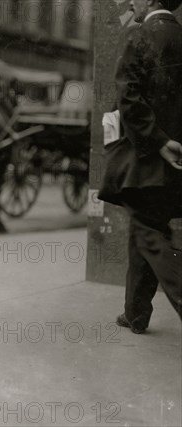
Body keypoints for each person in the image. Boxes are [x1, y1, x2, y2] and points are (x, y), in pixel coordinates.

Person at [107, 0, 182, 333]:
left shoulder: (140, 35)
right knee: (148, 230)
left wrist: (160, 141)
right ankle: (136, 313)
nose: (131, 3)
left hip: (149, 161)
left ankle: (138, 312)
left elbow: (129, 98)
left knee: (149, 236)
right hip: (176, 164)